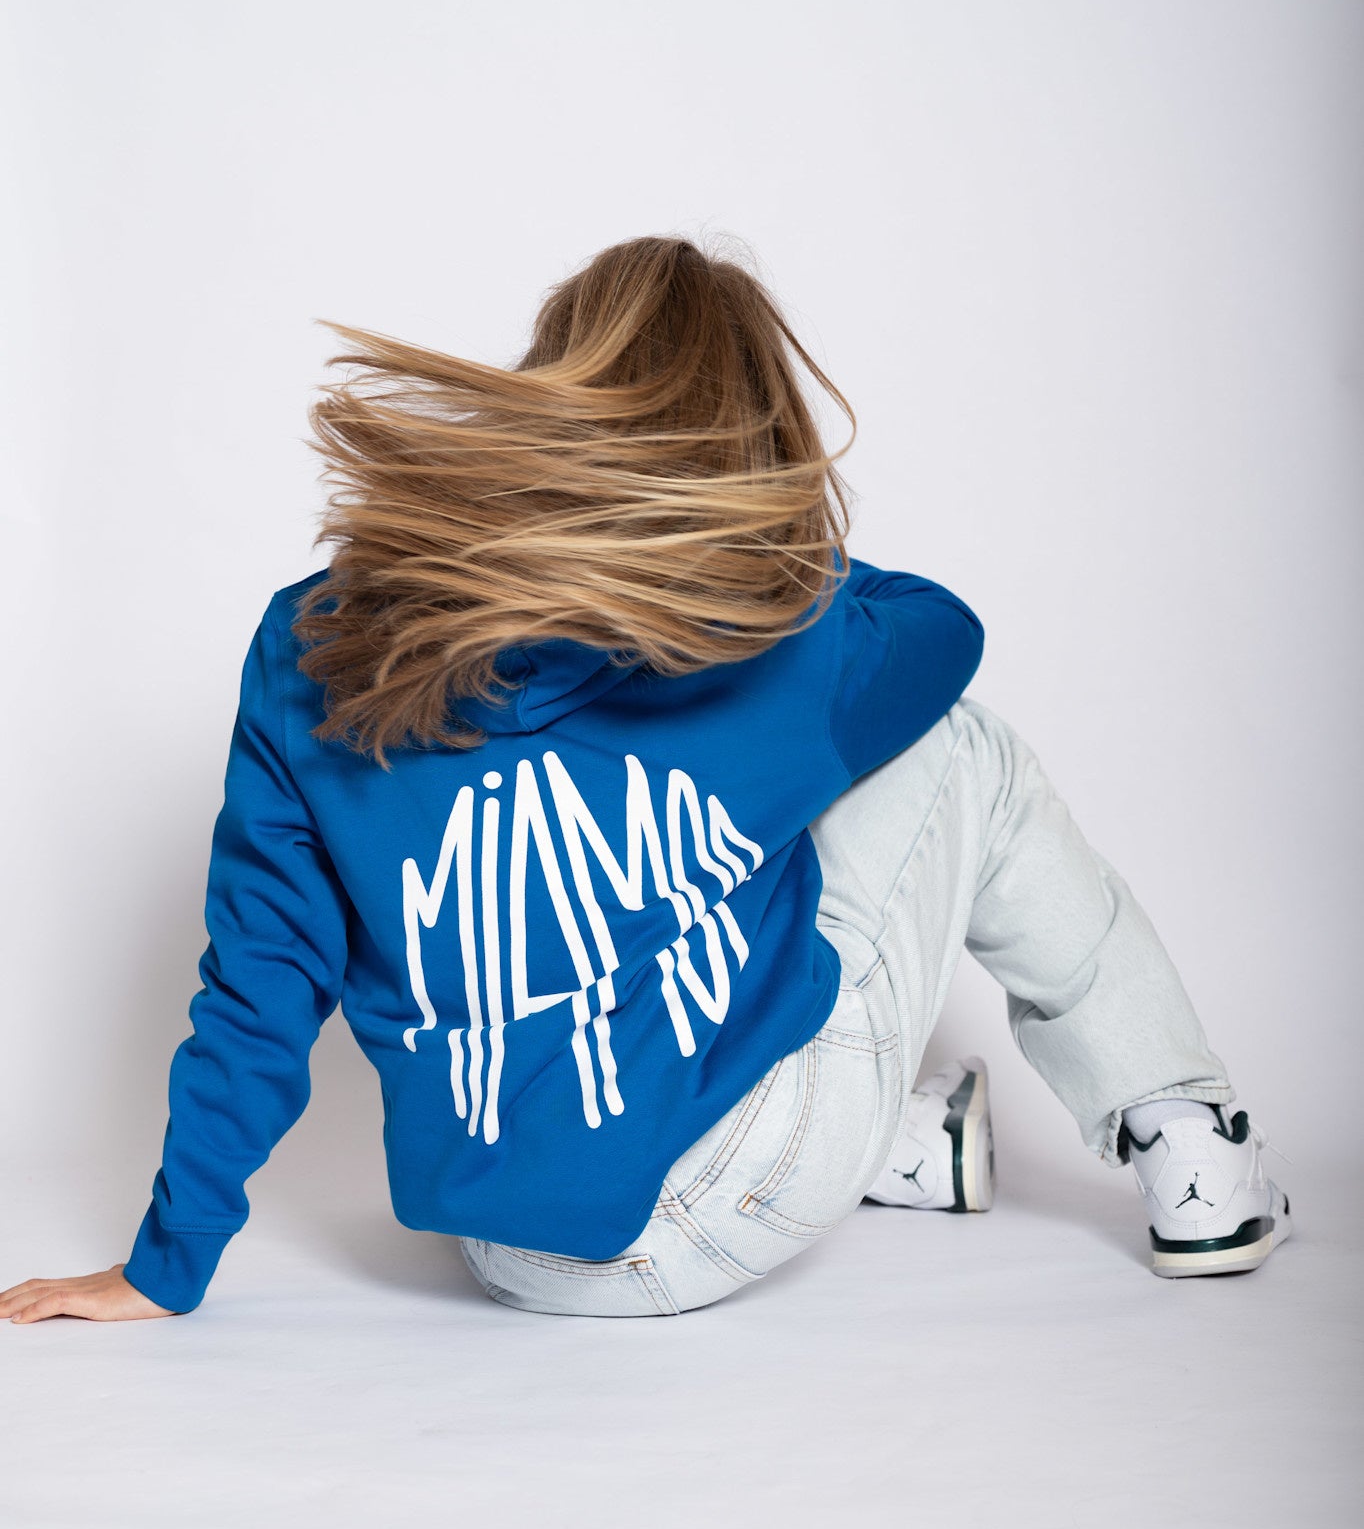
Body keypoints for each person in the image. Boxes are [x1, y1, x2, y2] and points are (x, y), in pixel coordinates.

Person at [0, 237, 1290, 1326]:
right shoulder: (795, 645)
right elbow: (945, 631)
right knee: (968, 751)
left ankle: (911, 1141)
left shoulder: (311, 643)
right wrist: (747, 548)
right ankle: (1191, 1145)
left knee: (736, 872)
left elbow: (264, 972)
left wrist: (166, 1263)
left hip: (515, 1256)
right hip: (753, 1185)